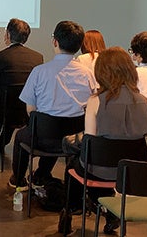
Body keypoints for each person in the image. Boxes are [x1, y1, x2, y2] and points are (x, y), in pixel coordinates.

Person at [60, 46, 147, 234]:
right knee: (105, 163)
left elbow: (89, 142)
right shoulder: (145, 102)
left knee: (75, 163)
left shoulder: (96, 101)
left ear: (101, 72)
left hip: (99, 170)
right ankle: (108, 210)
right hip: (133, 173)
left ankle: (69, 211)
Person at [9, 20, 96, 190]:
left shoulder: (39, 72)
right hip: (74, 141)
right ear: (79, 46)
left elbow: (30, 110)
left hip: (43, 138)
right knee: (59, 133)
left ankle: (18, 180)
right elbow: (93, 106)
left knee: (21, 136)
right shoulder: (88, 75)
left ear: (55, 41)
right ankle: (41, 174)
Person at [0, 18, 43, 155]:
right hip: (26, 109)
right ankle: (2, 141)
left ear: (8, 34)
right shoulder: (37, 57)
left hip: (3, 109)